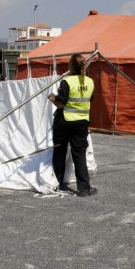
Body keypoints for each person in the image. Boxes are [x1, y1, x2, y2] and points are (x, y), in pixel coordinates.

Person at [48, 53, 97, 197]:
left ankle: (58, 182)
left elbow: (61, 103)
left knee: (60, 152)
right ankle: (84, 188)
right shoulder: (90, 82)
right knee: (79, 154)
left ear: (71, 66)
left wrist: (53, 98)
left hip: (65, 122)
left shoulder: (67, 82)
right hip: (82, 122)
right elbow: (90, 98)